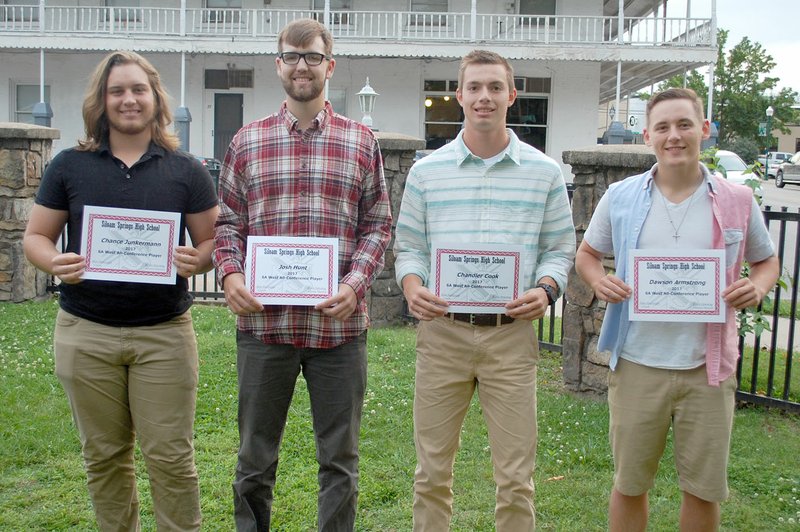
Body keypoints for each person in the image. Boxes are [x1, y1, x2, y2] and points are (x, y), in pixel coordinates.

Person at [22, 51, 218, 531]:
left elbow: (214, 240)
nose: (128, 100)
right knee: (105, 458)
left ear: (155, 98)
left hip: (164, 336)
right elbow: (36, 238)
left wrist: (200, 258)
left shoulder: (186, 169)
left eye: (138, 90)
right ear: (102, 101)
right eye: (117, 91)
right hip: (86, 333)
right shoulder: (69, 165)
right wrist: (55, 262)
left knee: (171, 458)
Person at [212, 18, 392, 531]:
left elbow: (378, 224)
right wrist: (230, 275)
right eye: (291, 56)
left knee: (340, 463)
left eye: (312, 56)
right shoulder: (247, 141)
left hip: (337, 331)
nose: (301, 66)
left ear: (329, 66)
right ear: (278, 65)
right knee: (253, 460)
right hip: (264, 329)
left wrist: (354, 285)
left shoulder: (361, 142)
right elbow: (228, 223)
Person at [574, 87, 780, 531]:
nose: (674, 136)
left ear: (704, 130)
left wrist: (758, 286)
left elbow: (766, 260)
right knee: (630, 484)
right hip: (636, 364)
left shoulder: (736, 200)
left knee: (702, 490)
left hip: (708, 368)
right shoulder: (622, 197)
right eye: (663, 127)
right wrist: (598, 279)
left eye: (684, 124)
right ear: (647, 135)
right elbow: (587, 254)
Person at [393, 50, 576, 531]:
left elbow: (560, 248)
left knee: (516, 478)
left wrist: (547, 288)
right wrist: (413, 287)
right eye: (474, 87)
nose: (484, 97)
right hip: (443, 335)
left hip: (510, 337)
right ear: (458, 95)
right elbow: (408, 247)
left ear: (512, 96)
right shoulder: (426, 173)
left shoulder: (544, 173)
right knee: (431, 472)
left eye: (495, 87)